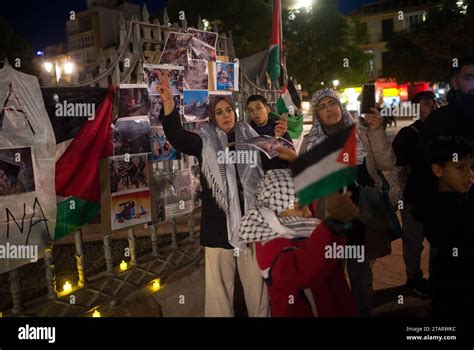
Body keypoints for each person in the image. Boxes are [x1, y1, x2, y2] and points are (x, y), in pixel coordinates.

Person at [156, 70, 269, 317]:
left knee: (257, 288)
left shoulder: (252, 137)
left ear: (235, 113)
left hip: (251, 225)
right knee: (219, 291)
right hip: (218, 227)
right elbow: (177, 138)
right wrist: (168, 106)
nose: (226, 115)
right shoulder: (204, 141)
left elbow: (274, 159)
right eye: (219, 112)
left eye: (228, 110)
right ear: (213, 118)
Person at [301, 87, 396, 316]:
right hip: (328, 220)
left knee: (361, 277)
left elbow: (387, 163)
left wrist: (376, 131)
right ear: (316, 114)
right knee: (330, 276)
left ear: (339, 105)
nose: (329, 110)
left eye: (331, 103)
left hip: (362, 215)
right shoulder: (310, 142)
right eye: (322, 107)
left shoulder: (362, 130)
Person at [239, 169, 359, 317]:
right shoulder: (271, 244)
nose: (308, 214)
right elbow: (302, 272)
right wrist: (331, 227)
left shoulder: (300, 226)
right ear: (277, 209)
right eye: (300, 207)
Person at [391, 90, 439, 297]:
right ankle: (414, 278)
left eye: (434, 101)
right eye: (427, 102)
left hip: (440, 197)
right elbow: (396, 164)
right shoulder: (408, 134)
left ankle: (438, 277)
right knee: (413, 241)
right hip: (413, 198)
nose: (433, 105)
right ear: (415, 108)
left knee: (439, 241)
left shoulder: (442, 130)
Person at [423, 136, 474, 318]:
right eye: (461, 167)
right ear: (438, 170)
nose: (470, 175)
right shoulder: (440, 208)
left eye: (472, 167)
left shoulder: (461, 198)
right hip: (455, 292)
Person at [246, 95, 292, 170]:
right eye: (251, 110)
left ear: (267, 109)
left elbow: (292, 158)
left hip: (277, 176)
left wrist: (278, 138)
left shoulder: (280, 130)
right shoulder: (247, 133)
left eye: (258, 108)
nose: (255, 112)